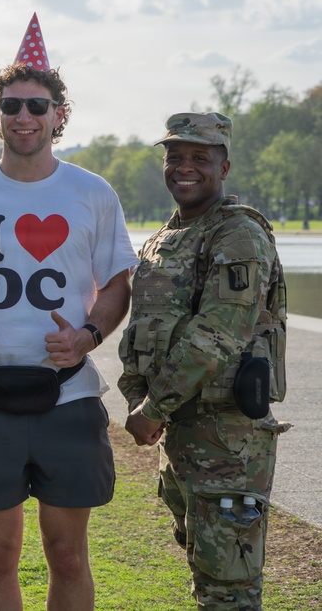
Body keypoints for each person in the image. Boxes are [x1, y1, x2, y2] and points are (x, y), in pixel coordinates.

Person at [0, 14, 138, 611]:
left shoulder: (92, 192)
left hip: (67, 394)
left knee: (68, 555)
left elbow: (118, 283)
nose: (24, 117)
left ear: (58, 116)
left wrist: (89, 335)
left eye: (37, 106)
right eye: (12, 105)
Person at [118, 112, 290, 611]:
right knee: (204, 571)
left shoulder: (237, 234)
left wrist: (151, 407)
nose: (184, 167)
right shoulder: (165, 236)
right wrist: (141, 399)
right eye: (175, 157)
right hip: (181, 433)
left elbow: (216, 336)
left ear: (225, 166)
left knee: (229, 589)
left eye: (200, 158)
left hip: (227, 442)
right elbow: (143, 334)